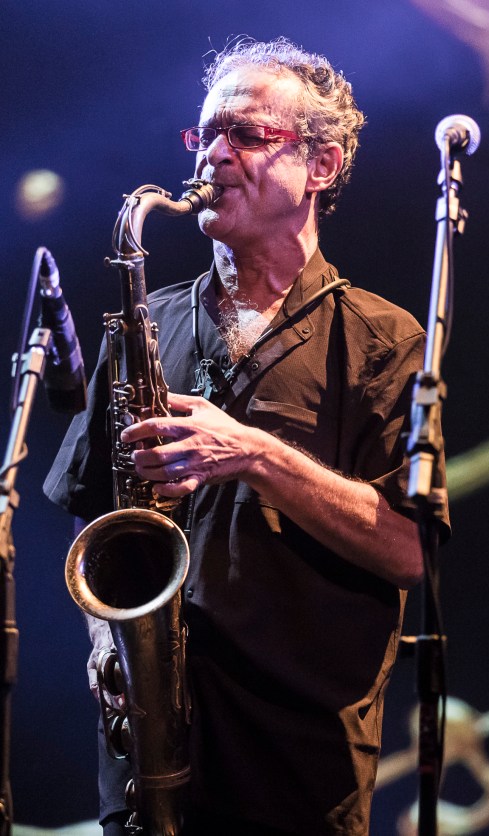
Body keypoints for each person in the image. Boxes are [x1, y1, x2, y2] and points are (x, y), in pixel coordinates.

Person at [44, 37, 449, 835]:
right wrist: (106, 640)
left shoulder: (383, 340)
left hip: (298, 764)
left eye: (247, 135)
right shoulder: (143, 324)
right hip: (147, 755)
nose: (215, 156)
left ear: (322, 165)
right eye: (205, 135)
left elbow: (411, 550)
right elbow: (96, 514)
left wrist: (255, 453)